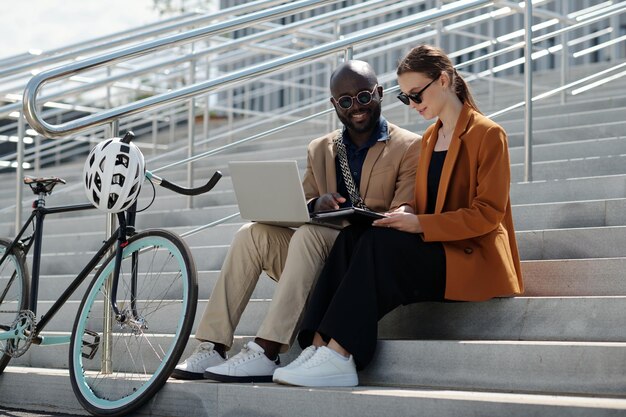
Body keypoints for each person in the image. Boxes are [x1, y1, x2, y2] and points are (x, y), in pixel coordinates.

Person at [273, 44, 524, 388]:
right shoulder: (430, 138)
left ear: (445, 80)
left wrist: (418, 223)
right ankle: (318, 346)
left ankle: (340, 354)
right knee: (353, 237)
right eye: (405, 98)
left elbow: (488, 215)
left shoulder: (488, 134)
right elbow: (424, 201)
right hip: (436, 246)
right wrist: (405, 211)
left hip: (470, 255)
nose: (413, 104)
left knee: (378, 246)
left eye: (417, 94)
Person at [172, 60, 421, 382]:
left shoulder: (410, 146)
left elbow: (405, 208)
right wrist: (316, 203)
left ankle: (267, 350)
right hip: (315, 258)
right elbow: (298, 204)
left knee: (309, 236)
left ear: (380, 93)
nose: (356, 107)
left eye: (363, 96)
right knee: (253, 234)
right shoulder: (320, 148)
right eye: (345, 101)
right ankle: (212, 345)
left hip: (361, 258)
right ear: (334, 104)